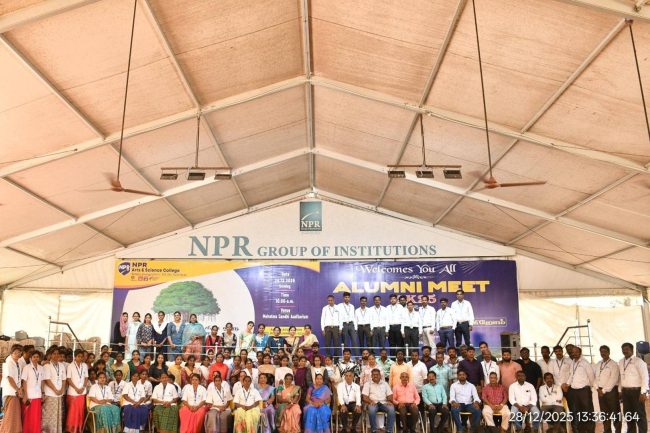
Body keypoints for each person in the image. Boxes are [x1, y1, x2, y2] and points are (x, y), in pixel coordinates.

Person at [563, 346, 595, 433]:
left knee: (588, 412)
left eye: (576, 352)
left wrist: (590, 387)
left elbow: (591, 376)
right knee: (578, 412)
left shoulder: (585, 363)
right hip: (575, 391)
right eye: (573, 352)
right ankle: (582, 430)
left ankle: (590, 431)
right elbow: (571, 375)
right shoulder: (573, 362)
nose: (574, 354)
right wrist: (567, 384)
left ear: (580, 353)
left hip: (584, 391)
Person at [619, 342, 648, 433]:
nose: (625, 351)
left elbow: (645, 377)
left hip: (637, 392)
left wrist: (643, 392)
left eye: (627, 349)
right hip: (625, 392)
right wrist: (620, 390)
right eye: (623, 349)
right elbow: (621, 377)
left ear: (632, 350)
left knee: (640, 415)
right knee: (628, 414)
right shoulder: (621, 361)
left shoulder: (639, 362)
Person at [594, 345, 620, 433]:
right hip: (600, 391)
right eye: (601, 351)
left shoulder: (614, 364)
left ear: (609, 352)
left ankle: (618, 431)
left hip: (611, 391)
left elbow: (613, 379)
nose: (603, 353)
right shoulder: (598, 364)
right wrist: (597, 388)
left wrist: (603, 390)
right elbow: (595, 377)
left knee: (615, 413)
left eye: (605, 351)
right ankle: (607, 431)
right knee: (604, 413)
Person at [363, 368, 396, 433]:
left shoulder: (385, 384)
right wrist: (370, 402)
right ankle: (374, 430)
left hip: (384, 403)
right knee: (371, 410)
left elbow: (390, 394)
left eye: (377, 374)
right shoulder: (367, 384)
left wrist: (389, 401)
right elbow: (365, 397)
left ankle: (389, 430)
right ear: (371, 376)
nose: (375, 376)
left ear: (380, 376)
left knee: (391, 409)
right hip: (373, 403)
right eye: (374, 375)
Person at [42, 347, 66, 433]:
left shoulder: (61, 365)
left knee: (57, 414)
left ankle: (56, 430)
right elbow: (47, 379)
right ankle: (47, 431)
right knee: (49, 414)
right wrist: (55, 390)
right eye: (54, 354)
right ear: (50, 355)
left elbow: (64, 379)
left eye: (57, 354)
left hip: (59, 393)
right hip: (50, 393)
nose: (56, 355)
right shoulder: (47, 365)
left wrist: (62, 389)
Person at [66, 348, 89, 433]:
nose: (80, 358)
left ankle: (79, 428)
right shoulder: (70, 366)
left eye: (81, 356)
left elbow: (86, 377)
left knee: (80, 411)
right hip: (73, 392)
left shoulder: (84, 365)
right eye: (78, 356)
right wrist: (76, 388)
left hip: (82, 391)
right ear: (75, 357)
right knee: (73, 412)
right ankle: (71, 429)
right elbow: (68, 379)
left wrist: (83, 387)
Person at [21, 350, 44, 433]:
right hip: (29, 395)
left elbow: (42, 381)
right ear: (30, 358)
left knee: (36, 416)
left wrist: (43, 393)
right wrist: (25, 395)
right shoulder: (26, 368)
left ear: (39, 358)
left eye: (37, 357)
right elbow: (24, 382)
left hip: (38, 395)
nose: (36, 358)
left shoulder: (41, 368)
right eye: (34, 357)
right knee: (28, 416)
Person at [121, 368, 149, 433]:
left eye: (137, 376)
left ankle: (139, 428)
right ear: (131, 377)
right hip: (129, 402)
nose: (135, 377)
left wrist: (138, 402)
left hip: (139, 403)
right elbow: (125, 395)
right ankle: (129, 430)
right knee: (131, 410)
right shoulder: (127, 385)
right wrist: (133, 402)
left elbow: (143, 397)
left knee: (144, 409)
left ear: (139, 377)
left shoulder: (141, 386)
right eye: (134, 376)